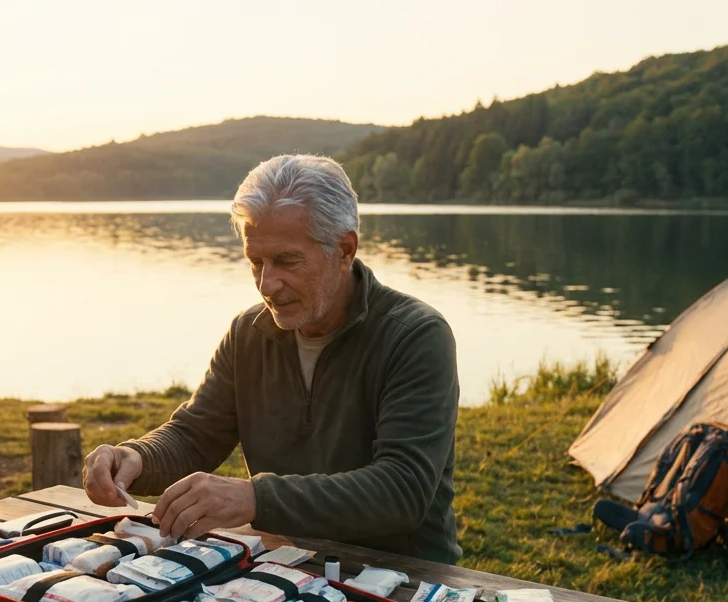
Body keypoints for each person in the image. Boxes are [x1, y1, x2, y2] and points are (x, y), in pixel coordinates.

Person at [82, 154, 462, 563]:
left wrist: (255, 498)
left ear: (345, 249)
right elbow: (195, 435)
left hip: (407, 578)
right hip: (281, 564)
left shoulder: (416, 335)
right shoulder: (249, 332)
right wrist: (136, 458)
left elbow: (402, 489)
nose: (267, 284)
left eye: (286, 261)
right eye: (255, 262)